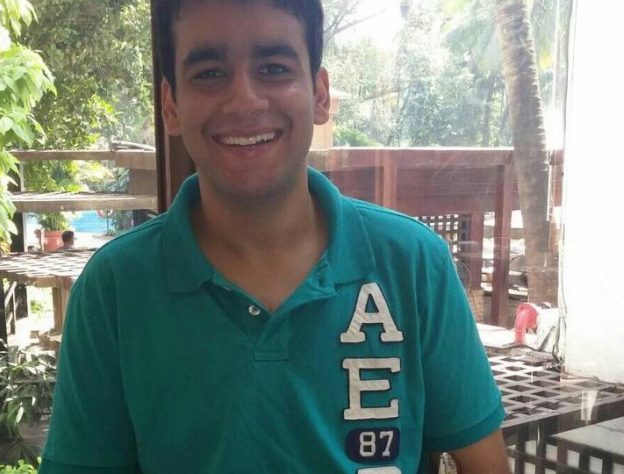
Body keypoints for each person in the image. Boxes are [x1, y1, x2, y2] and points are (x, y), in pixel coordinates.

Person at [39, 1, 510, 473]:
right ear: (171, 106)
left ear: (319, 95)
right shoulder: (116, 288)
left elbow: (484, 463)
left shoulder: (412, 263)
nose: (244, 101)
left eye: (274, 68)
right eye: (209, 73)